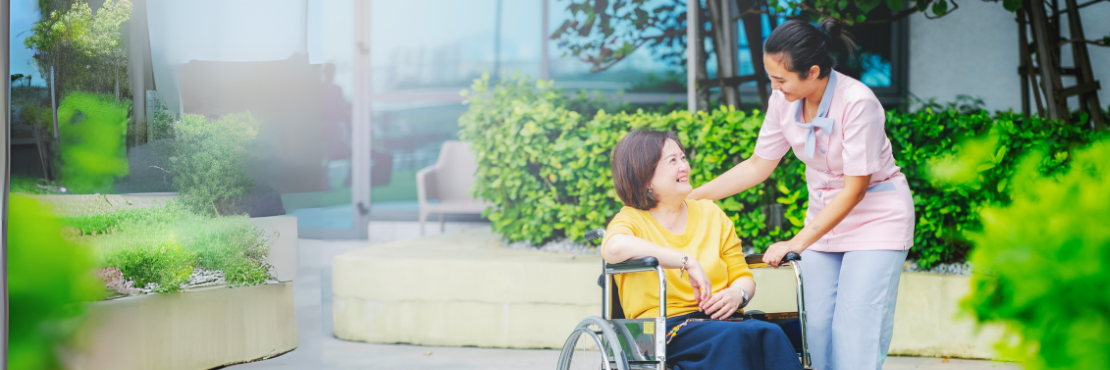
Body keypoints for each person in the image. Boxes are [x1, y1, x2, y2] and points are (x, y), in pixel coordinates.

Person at [688, 19, 916, 370]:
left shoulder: (857, 103)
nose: (774, 88)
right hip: (823, 223)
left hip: (876, 220)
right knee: (817, 332)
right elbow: (757, 166)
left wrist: (795, 242)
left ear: (812, 72)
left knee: (855, 330)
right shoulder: (784, 101)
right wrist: (692, 198)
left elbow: (855, 190)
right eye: (770, 78)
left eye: (780, 79)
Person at [602, 130, 802, 370]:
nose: (683, 166)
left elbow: (741, 274)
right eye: (672, 161)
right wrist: (686, 261)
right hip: (662, 329)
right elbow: (613, 248)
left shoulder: (711, 214)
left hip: (720, 320)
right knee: (733, 339)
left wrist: (737, 294)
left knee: (770, 332)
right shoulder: (633, 219)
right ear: (645, 177)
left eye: (683, 157)